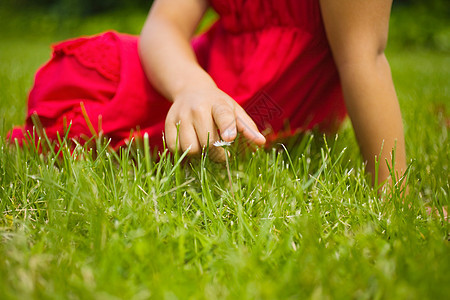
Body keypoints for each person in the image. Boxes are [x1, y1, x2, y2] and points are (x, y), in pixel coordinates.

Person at [10, 0, 406, 186]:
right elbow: (165, 23)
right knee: (90, 75)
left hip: (271, 108)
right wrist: (192, 85)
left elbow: (362, 57)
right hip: (195, 79)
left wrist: (393, 192)